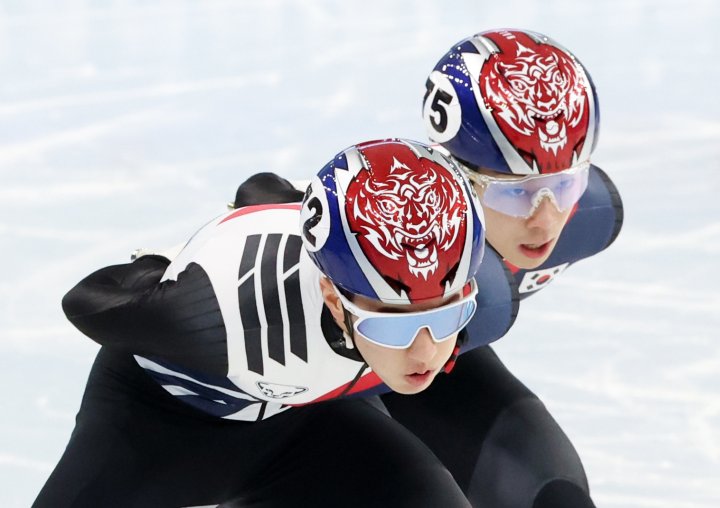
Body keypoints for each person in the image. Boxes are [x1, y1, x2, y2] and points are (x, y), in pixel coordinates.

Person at [33, 139, 485, 508]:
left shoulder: (467, 281)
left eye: (447, 315)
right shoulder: (228, 315)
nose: (426, 351)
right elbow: (89, 302)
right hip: (158, 425)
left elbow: (263, 188)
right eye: (391, 325)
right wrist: (157, 268)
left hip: (298, 427)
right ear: (333, 297)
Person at [377, 29, 624, 508]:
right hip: (313, 399)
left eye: (565, 183)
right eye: (516, 190)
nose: (546, 218)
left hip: (433, 376)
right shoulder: (374, 239)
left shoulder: (593, 217)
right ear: (454, 174)